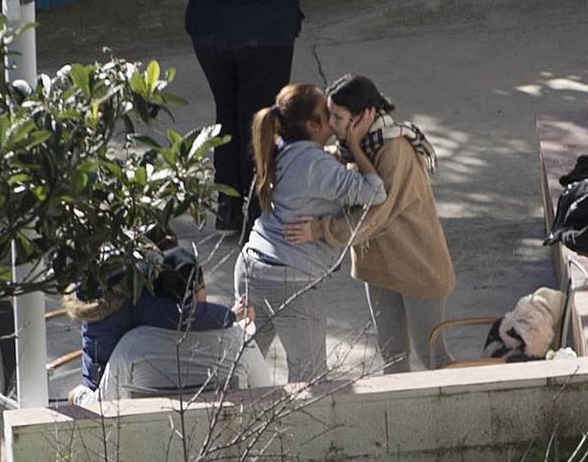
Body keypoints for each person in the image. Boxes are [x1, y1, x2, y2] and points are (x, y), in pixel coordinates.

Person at [160, 0, 330, 236]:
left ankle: (227, 208)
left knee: (229, 113)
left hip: (211, 33)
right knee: (262, 120)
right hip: (267, 35)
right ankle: (256, 210)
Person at [285, 74, 456, 373]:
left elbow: (373, 214)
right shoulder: (356, 145)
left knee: (433, 356)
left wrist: (321, 229)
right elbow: (334, 165)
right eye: (330, 116)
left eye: (338, 118)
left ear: (365, 116)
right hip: (380, 269)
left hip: (418, 266)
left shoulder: (393, 150)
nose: (331, 125)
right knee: (392, 356)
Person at [235, 83, 386, 383]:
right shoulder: (316, 165)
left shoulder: (281, 150)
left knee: (241, 371)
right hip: (291, 282)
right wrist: (355, 143)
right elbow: (375, 193)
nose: (334, 118)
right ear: (313, 125)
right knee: (311, 382)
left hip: (251, 268)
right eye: (327, 113)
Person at [64, 246, 268, 405]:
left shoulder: (131, 343)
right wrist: (230, 315)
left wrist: (80, 396)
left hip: (104, 380)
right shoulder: (238, 341)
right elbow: (183, 316)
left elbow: (103, 405)